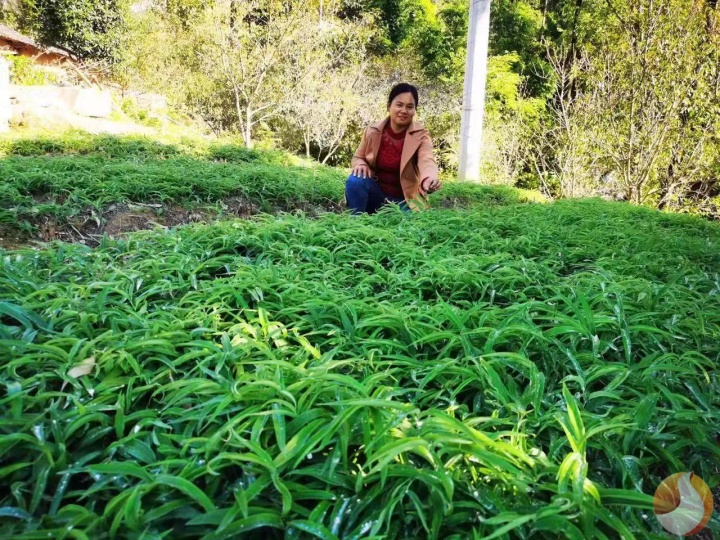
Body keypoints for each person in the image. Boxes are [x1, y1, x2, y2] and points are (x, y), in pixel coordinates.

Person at [345, 83, 441, 214]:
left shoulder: (421, 136)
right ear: (389, 106)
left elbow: (427, 160)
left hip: (404, 202)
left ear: (415, 110)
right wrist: (361, 164)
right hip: (376, 196)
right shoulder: (373, 131)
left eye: (410, 107)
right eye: (399, 105)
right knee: (355, 180)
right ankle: (355, 225)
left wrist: (428, 178)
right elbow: (358, 157)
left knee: (407, 229)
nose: (404, 111)